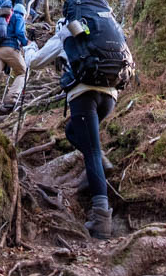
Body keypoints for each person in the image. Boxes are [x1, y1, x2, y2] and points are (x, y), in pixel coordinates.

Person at [24, 16, 120, 240]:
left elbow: (35, 62)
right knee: (71, 132)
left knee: (92, 151)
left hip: (83, 94)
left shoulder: (64, 34)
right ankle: (101, 161)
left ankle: (102, 220)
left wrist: (29, 48)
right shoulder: (99, 33)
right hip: (110, 95)